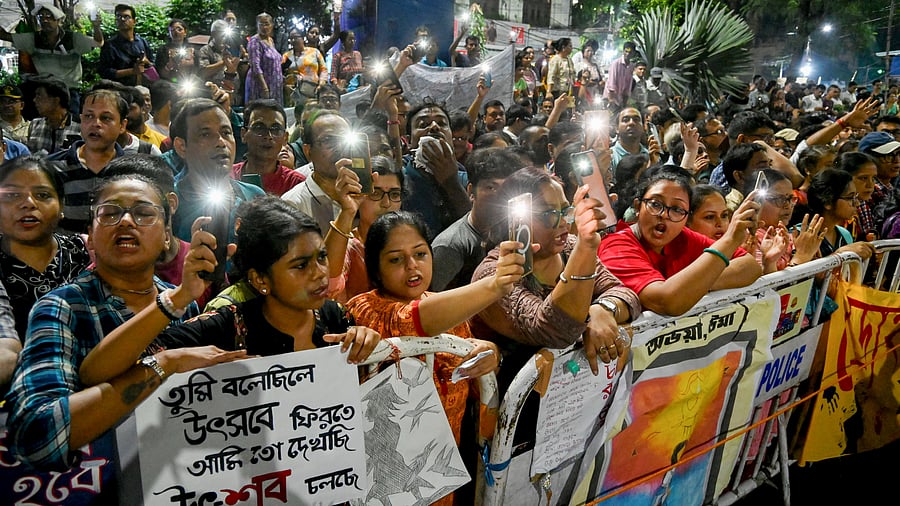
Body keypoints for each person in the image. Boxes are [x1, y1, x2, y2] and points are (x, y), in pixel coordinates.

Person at [4, 173, 220, 480]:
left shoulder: (188, 303)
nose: (126, 222)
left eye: (144, 213)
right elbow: (36, 435)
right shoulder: (62, 307)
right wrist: (160, 366)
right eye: (110, 213)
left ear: (167, 236)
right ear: (90, 236)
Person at [77, 194, 381, 390]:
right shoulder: (225, 328)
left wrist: (369, 345)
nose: (318, 273)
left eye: (321, 257)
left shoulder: (333, 317)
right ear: (261, 279)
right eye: (300, 265)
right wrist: (178, 299)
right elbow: (95, 374)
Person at [346, 210, 524, 446]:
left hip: (444, 458)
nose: (412, 266)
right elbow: (410, 320)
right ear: (376, 269)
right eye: (396, 259)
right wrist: (495, 284)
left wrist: (491, 358)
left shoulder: (449, 313)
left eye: (420, 254)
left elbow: (475, 389)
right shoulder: (365, 308)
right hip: (384, 459)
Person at [470, 167, 641, 395]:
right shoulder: (494, 273)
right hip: (512, 406)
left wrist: (603, 309)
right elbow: (553, 330)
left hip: (571, 396)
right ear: (515, 219)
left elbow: (625, 294)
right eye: (550, 214)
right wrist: (586, 248)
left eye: (565, 210)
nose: (562, 222)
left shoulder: (570, 247)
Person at [598, 166, 762, 316]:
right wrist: (729, 241)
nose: (664, 214)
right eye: (655, 204)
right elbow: (667, 302)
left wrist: (695, 284)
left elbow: (750, 267)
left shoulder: (682, 236)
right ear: (637, 207)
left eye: (677, 209)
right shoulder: (616, 246)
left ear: (686, 219)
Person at [0, 155, 91, 340]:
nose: (28, 203)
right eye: (12, 195)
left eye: (42, 195)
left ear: (61, 205)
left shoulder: (87, 251)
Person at [431, 147, 523, 291]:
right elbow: (433, 302)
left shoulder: (514, 230)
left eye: (506, 188)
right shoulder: (450, 245)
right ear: (470, 191)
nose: (500, 195)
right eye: (491, 187)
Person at [49, 88, 127, 233]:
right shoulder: (51, 167)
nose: (95, 123)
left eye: (106, 118)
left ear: (122, 125)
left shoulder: (132, 170)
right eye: (89, 116)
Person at [1, 3, 103, 112]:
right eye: (41, 17)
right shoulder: (33, 39)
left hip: (69, 91)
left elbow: (98, 43)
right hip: (43, 90)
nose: (45, 20)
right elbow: (4, 36)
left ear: (58, 20)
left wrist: (96, 27)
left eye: (49, 17)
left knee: (72, 122)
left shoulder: (73, 38)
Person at [341, 155, 403, 301]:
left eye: (394, 194)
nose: (386, 203)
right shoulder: (346, 248)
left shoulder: (409, 245)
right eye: (376, 193)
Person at [232, 99, 304, 196]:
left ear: (285, 138)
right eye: (259, 128)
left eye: (276, 129)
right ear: (243, 134)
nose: (268, 136)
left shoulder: (297, 185)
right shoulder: (227, 178)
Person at [806, 168, 876, 261]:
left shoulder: (844, 234)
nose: (857, 203)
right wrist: (840, 254)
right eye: (850, 197)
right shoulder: (802, 236)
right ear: (828, 202)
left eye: (856, 197)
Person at [99, 4, 155, 87]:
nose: (122, 19)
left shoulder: (142, 42)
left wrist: (146, 62)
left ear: (134, 21)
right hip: (120, 89)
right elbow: (105, 72)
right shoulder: (110, 45)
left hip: (144, 87)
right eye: (118, 16)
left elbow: (152, 64)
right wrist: (132, 71)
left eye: (126, 17)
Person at [25, 76, 81, 156]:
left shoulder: (79, 127)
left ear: (55, 101)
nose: (34, 100)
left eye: (39, 96)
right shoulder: (35, 124)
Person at [837, 151, 880, 241]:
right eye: (863, 178)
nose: (870, 184)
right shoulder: (839, 210)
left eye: (873, 178)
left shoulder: (869, 203)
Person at [245, 12, 284, 104]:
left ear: (271, 25)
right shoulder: (255, 41)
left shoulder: (271, 40)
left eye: (267, 24)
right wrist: (264, 87)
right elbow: (255, 66)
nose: (264, 27)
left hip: (275, 85)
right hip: (261, 86)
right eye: (261, 24)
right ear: (257, 26)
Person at [282, 28, 327, 106]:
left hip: (313, 91)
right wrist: (285, 85)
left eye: (295, 37)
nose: (293, 40)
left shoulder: (314, 52)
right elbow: (280, 73)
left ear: (303, 38)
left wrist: (321, 84)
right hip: (294, 95)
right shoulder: (287, 56)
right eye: (291, 38)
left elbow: (323, 70)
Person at [604, 41, 636, 113]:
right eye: (626, 51)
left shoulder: (631, 66)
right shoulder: (616, 63)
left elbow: (628, 86)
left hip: (620, 100)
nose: (627, 54)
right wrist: (611, 101)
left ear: (633, 53)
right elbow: (612, 84)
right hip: (610, 98)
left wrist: (624, 103)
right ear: (623, 51)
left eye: (630, 52)